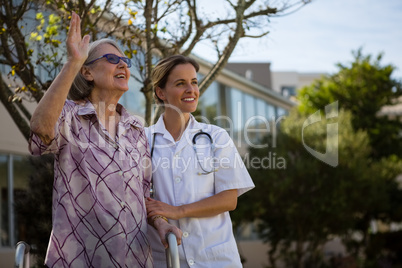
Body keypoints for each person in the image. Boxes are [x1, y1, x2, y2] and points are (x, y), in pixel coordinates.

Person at [29, 12, 181, 267]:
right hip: (79, 259)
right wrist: (72, 63)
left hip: (133, 260)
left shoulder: (136, 129)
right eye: (112, 59)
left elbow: (142, 197)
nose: (123, 65)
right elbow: (41, 128)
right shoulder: (70, 116)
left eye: (125, 60)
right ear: (87, 72)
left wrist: (161, 224)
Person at [145, 55, 255, 267]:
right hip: (166, 259)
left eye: (194, 82)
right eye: (180, 83)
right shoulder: (143, 140)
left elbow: (228, 200)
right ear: (161, 92)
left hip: (216, 260)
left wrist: (177, 211)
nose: (191, 89)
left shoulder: (217, 137)